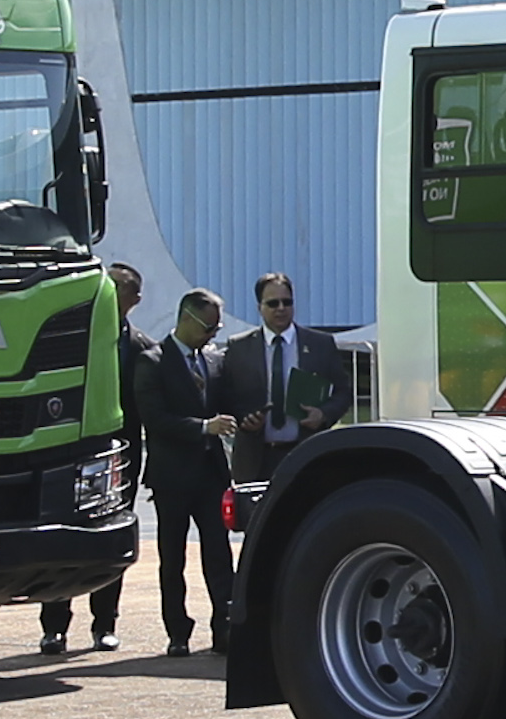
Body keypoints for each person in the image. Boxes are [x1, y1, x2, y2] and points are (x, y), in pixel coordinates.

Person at [42, 261, 144, 656]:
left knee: (109, 540)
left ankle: (105, 624)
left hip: (119, 456)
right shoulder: (72, 340)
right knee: (61, 539)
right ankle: (54, 627)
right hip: (71, 450)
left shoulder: (140, 348)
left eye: (114, 289)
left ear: (133, 299)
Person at [139, 288, 237, 653]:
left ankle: (224, 627)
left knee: (218, 553)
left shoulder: (213, 362)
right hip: (172, 477)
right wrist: (202, 427)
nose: (213, 334)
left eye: (217, 328)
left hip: (210, 474)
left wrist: (243, 419)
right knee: (172, 557)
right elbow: (156, 418)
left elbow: (226, 405)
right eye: (209, 327)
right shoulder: (153, 361)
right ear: (186, 318)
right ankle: (177, 631)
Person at [213, 272, 349, 521]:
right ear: (259, 307)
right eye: (273, 303)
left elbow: (343, 391)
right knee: (259, 529)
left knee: (306, 523)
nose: (281, 309)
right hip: (257, 457)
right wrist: (243, 419)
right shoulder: (239, 347)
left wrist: (324, 414)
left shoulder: (319, 344)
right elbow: (226, 396)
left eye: (287, 302)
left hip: (304, 452)